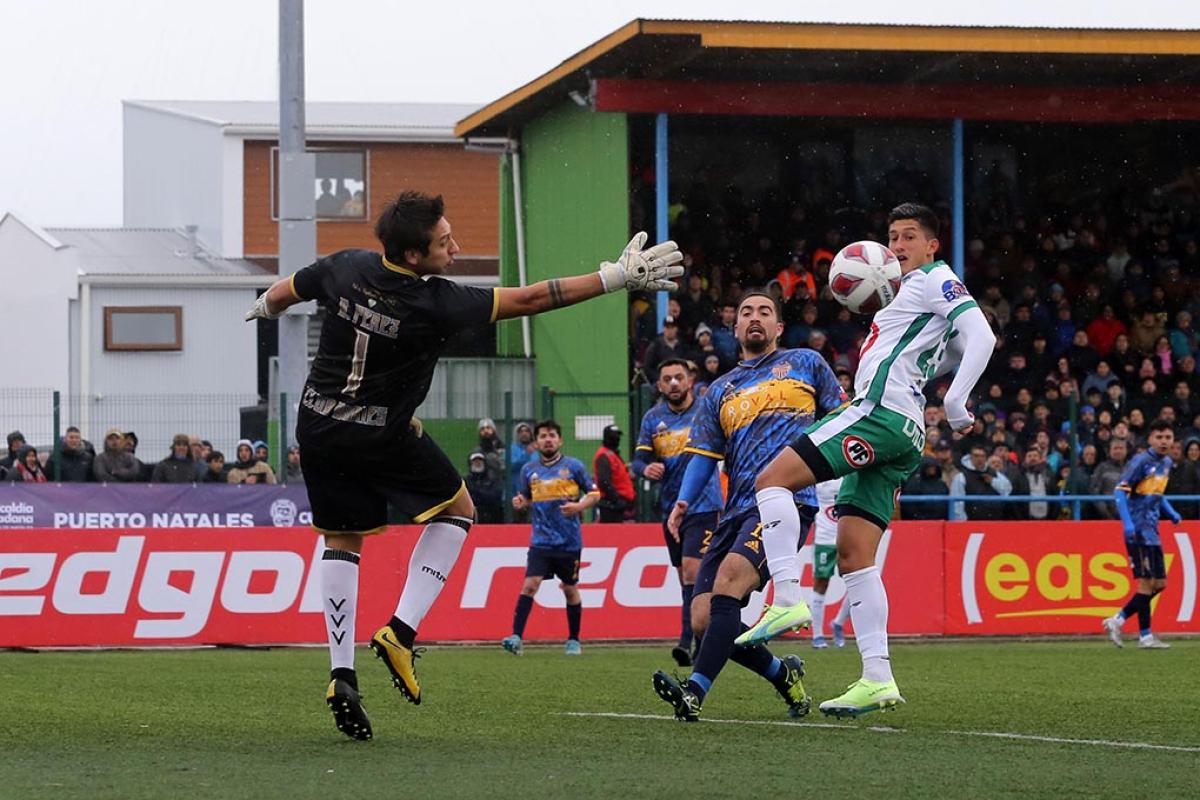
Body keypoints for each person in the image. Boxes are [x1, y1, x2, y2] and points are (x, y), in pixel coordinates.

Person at [244, 190, 681, 741]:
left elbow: (293, 287)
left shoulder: (346, 265)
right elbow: (532, 299)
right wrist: (614, 278)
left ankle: (341, 675)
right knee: (458, 511)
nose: (455, 247)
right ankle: (400, 633)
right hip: (378, 432)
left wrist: (267, 306)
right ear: (412, 256)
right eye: (444, 242)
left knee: (342, 541)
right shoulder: (435, 302)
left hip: (318, 426)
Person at [748, 203, 995, 719]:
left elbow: (983, 335)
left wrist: (955, 401)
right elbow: (948, 347)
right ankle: (877, 677)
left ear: (932, 245)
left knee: (771, 479)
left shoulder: (934, 278)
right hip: (904, 431)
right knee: (855, 556)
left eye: (909, 236)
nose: (898, 245)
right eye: (892, 236)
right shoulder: (908, 294)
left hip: (879, 413)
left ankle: (787, 597)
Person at [651, 289, 845, 722]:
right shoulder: (718, 390)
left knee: (729, 584)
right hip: (735, 509)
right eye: (746, 312)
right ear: (735, 327)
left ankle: (694, 692)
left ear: (779, 326)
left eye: (765, 311)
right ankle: (783, 674)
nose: (755, 317)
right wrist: (683, 502)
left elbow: (842, 419)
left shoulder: (807, 363)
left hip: (787, 502)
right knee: (703, 618)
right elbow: (704, 455)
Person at [632, 357, 723, 667]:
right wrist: (646, 469)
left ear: (690, 380)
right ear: (659, 386)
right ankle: (703, 635)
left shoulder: (705, 411)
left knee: (692, 571)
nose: (673, 383)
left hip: (705, 505)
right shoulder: (652, 418)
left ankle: (688, 640)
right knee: (686, 576)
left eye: (678, 377)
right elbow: (638, 460)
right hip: (670, 509)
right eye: (667, 379)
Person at [501, 419, 599, 656]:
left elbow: (594, 493)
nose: (548, 440)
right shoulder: (529, 470)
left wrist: (578, 506)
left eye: (552, 435)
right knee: (530, 585)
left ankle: (573, 640)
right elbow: (525, 498)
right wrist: (520, 502)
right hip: (541, 541)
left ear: (560, 440)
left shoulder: (574, 466)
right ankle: (516, 637)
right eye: (543, 436)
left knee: (569, 589)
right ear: (536, 442)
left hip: (569, 542)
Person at [1102, 419, 1181, 650]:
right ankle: (1145, 636)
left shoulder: (1166, 462)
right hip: (1138, 530)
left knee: (1160, 583)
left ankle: (1118, 620)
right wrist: (1127, 523)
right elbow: (1120, 491)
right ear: (1150, 439)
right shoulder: (1140, 461)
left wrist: (1170, 512)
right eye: (1159, 437)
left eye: (1168, 437)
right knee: (1146, 582)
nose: (1164, 441)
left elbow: (1156, 494)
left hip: (1152, 530)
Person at [809, 477, 844, 648]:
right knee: (821, 583)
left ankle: (838, 622)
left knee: (858, 581)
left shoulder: (851, 472)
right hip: (824, 538)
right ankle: (817, 635)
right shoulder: (818, 475)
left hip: (848, 535)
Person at [593, 425, 635, 522]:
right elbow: (604, 481)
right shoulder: (604, 456)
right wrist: (616, 500)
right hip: (611, 506)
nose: (617, 439)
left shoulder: (612, 455)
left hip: (618, 505)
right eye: (614, 436)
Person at [465, 452, 503, 524]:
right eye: (475, 461)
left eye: (480, 461)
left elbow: (494, 497)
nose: (478, 463)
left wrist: (475, 491)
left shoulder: (493, 480)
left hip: (491, 519)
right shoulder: (466, 481)